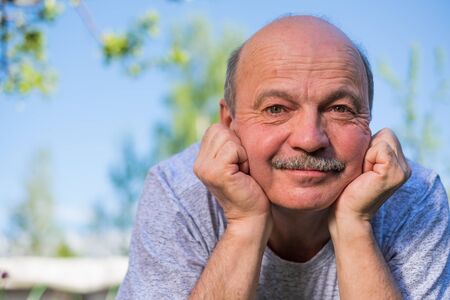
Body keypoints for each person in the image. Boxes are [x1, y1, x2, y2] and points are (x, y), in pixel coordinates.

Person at [118, 15, 450, 299]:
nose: (309, 139)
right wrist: (244, 225)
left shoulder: (416, 198)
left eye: (339, 109)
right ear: (229, 123)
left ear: (370, 121)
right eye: (276, 108)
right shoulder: (178, 193)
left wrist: (354, 225)